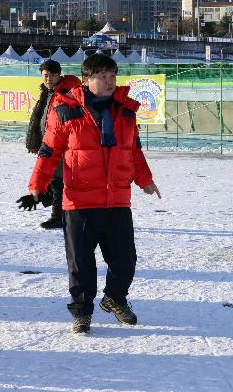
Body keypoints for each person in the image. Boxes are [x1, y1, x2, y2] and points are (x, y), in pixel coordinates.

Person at [27, 54, 161, 335]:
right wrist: (37, 185)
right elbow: (49, 150)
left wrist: (145, 180)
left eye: (113, 76)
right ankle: (82, 312)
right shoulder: (66, 110)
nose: (110, 81)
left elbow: (133, 149)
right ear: (87, 80)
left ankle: (114, 298)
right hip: (79, 201)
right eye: (103, 76)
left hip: (117, 199)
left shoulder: (125, 109)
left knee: (125, 261)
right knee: (81, 266)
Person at [25, 59, 80, 229]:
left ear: (59, 75)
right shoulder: (47, 92)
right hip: (48, 141)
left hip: (63, 144)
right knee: (53, 179)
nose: (48, 79)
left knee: (58, 180)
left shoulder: (67, 92)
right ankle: (61, 212)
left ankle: (59, 216)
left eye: (51, 75)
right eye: (45, 75)